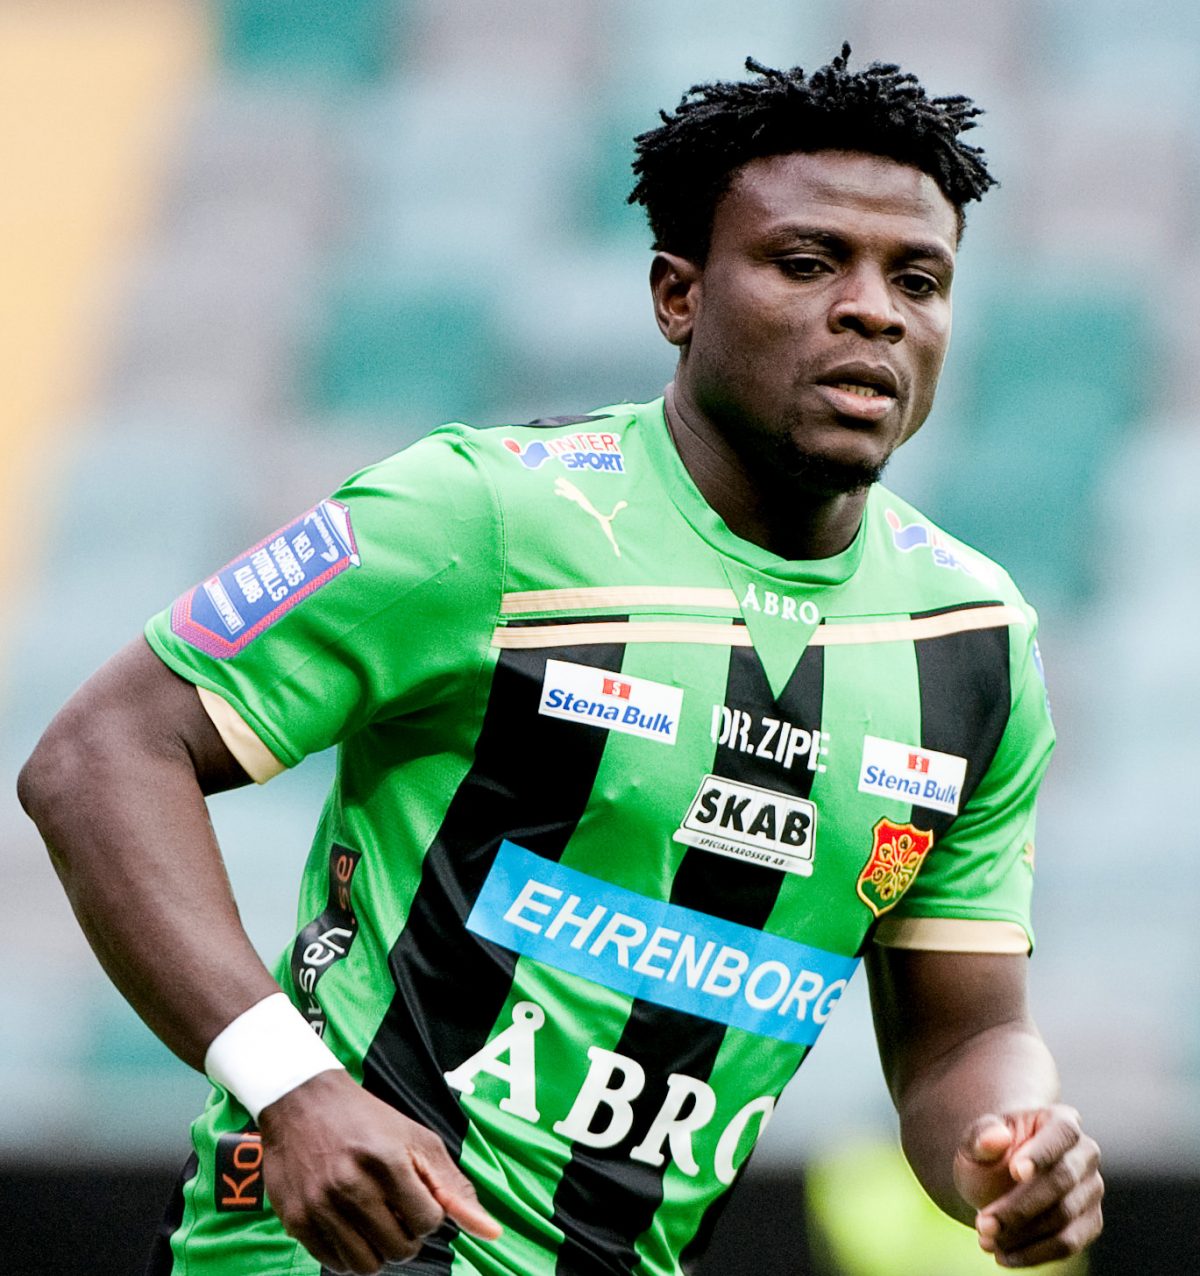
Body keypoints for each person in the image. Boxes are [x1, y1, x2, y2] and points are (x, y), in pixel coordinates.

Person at [19, 46, 1103, 1276]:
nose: (875, 310)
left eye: (919, 278)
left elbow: (964, 1039)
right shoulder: (483, 517)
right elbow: (99, 756)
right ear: (678, 295)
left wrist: (1011, 1143)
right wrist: (294, 1086)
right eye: (808, 263)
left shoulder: (972, 644)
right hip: (349, 1248)